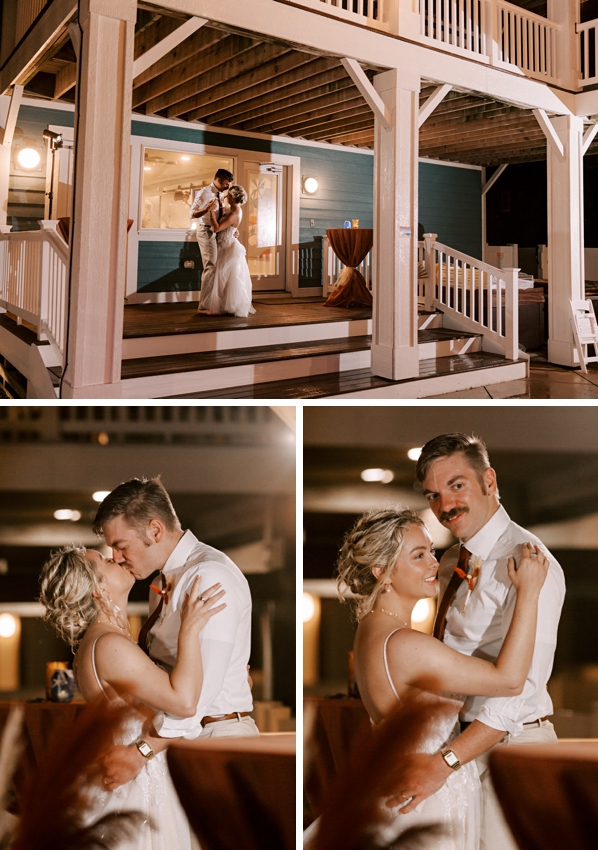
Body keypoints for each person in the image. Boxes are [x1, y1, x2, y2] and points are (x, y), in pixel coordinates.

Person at [333, 507, 549, 850]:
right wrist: (530, 592)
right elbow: (509, 680)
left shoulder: (370, 630)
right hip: (429, 794)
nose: (434, 564)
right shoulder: (405, 644)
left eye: (431, 552)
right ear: (382, 573)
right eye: (419, 555)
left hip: (405, 782)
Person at [391, 432, 564, 850]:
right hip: (459, 745)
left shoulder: (531, 562)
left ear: (489, 480)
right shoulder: (451, 560)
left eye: (456, 486)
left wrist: (444, 762)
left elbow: (517, 692)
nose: (445, 506)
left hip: (512, 746)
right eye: (433, 495)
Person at [39, 544, 226, 849]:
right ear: (98, 588)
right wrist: (189, 632)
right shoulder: (110, 644)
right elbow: (184, 703)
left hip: (140, 775)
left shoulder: (102, 641)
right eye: (105, 561)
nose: (116, 558)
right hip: (142, 783)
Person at [93, 477, 258, 791]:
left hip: (215, 738)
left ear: (155, 530)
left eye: (121, 545)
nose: (116, 557)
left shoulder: (208, 575)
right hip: (176, 739)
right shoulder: (162, 583)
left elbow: (197, 698)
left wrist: (141, 751)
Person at [201, 184, 255, 317]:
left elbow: (217, 228)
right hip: (228, 243)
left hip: (226, 246)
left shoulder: (233, 214)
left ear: (233, 197)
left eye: (228, 195)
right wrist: (220, 203)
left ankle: (225, 305)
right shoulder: (235, 209)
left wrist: (211, 213)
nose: (226, 196)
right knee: (225, 277)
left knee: (225, 277)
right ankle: (224, 304)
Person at [190, 169, 233, 314]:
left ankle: (215, 302)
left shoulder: (221, 193)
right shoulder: (204, 192)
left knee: (217, 266)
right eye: (226, 184)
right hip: (206, 230)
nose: (228, 187)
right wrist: (206, 209)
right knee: (211, 266)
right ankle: (204, 306)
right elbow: (193, 213)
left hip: (216, 231)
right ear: (219, 180)